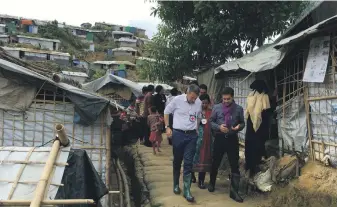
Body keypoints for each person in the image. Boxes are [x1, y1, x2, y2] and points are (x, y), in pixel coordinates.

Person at [164, 84, 202, 203]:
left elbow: (199, 116)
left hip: (191, 136)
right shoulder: (177, 100)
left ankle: (187, 190)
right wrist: (167, 127)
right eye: (192, 97)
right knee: (177, 160)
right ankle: (176, 184)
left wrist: (196, 128)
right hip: (178, 134)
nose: (193, 100)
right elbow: (166, 111)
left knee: (188, 162)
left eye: (195, 98)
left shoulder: (199, 102)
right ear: (187, 92)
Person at [208, 87, 245, 203]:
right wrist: (219, 127)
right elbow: (210, 122)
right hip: (219, 138)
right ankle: (212, 183)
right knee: (215, 162)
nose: (226, 101)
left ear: (232, 97)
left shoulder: (238, 109)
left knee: (234, 164)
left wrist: (239, 127)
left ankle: (234, 192)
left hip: (232, 139)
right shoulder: (217, 107)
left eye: (228, 99)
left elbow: (242, 122)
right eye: (224, 99)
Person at [244, 80, 271, 178]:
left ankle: (251, 167)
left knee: (252, 145)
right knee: (255, 145)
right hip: (256, 124)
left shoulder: (252, 96)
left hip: (254, 124)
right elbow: (266, 112)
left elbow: (248, 112)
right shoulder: (262, 96)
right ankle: (253, 166)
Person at [192, 94, 213, 189]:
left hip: (207, 140)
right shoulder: (195, 112)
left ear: (209, 103)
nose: (204, 104)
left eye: (206, 103)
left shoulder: (211, 112)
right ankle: (192, 175)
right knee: (193, 158)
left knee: (204, 160)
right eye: (202, 103)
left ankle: (201, 181)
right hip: (196, 139)